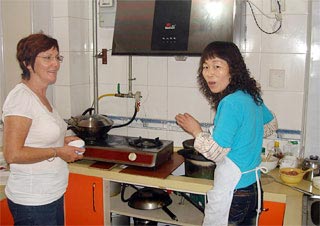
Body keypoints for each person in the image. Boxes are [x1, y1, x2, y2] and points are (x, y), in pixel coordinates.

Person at [175, 41, 278, 226]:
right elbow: (271, 125)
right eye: (205, 67)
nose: (209, 73)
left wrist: (195, 130)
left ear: (233, 69)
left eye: (217, 66)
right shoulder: (250, 95)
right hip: (253, 189)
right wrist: (245, 134)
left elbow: (216, 152)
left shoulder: (230, 103)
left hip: (234, 192)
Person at [2, 33, 85, 226]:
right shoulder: (21, 98)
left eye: (57, 57)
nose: (55, 64)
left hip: (50, 195)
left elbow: (36, 138)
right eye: (47, 58)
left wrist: (62, 142)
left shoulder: (40, 95)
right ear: (27, 63)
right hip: (32, 202)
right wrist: (58, 151)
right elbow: (12, 154)